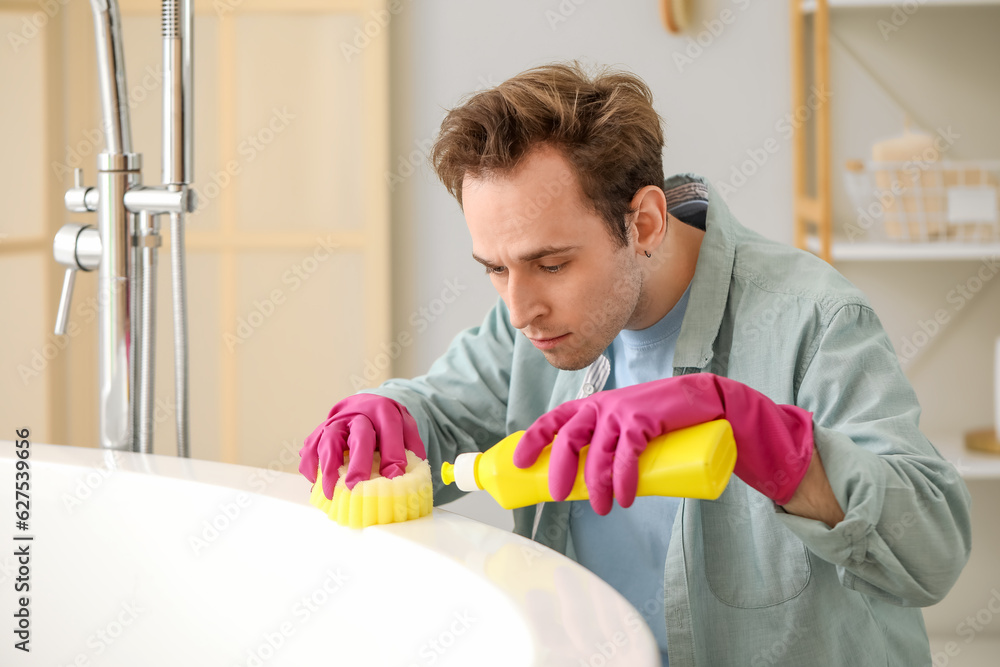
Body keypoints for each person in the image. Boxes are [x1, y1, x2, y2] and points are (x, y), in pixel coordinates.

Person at [299, 62, 972, 666]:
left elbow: (932, 551)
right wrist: (391, 417)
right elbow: (442, 413)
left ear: (645, 223)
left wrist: (764, 437)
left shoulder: (811, 318)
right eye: (495, 269)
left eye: (552, 263)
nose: (518, 308)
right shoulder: (535, 330)